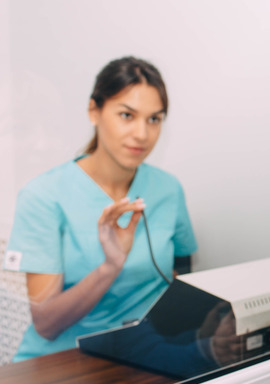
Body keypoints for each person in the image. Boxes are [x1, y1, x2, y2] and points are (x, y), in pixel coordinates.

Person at [4, 56, 198, 362]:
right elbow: (46, 324)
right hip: (60, 364)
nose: (142, 134)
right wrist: (110, 267)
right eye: (126, 115)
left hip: (142, 356)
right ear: (94, 111)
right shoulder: (43, 196)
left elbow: (184, 267)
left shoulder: (167, 189)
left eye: (154, 119)